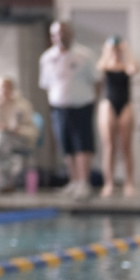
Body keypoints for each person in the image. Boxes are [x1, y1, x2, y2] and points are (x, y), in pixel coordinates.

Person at [39, 21, 98, 201]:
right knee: (66, 146)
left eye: (63, 32)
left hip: (82, 105)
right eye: (55, 34)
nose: (59, 37)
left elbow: (97, 80)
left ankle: (84, 182)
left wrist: (91, 100)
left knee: (82, 145)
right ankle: (73, 181)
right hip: (59, 107)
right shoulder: (47, 58)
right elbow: (46, 84)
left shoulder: (84, 55)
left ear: (71, 34)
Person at [96, 36, 138, 198]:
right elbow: (99, 67)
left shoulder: (126, 65)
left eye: (117, 49)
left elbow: (134, 68)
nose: (115, 52)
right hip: (108, 105)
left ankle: (129, 183)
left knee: (126, 148)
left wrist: (127, 50)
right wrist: (106, 51)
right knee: (109, 147)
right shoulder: (105, 65)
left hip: (125, 104)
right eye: (113, 49)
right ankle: (109, 183)